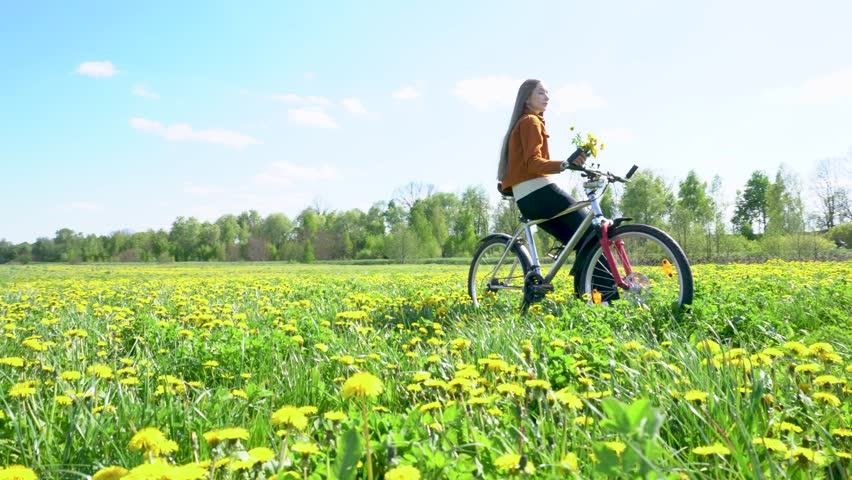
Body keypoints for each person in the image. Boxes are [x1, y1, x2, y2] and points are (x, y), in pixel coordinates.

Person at [496, 79, 590, 250]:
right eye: (540, 92)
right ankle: (595, 277)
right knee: (590, 233)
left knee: (580, 243)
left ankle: (585, 276)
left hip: (527, 201)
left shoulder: (523, 122)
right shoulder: (530, 121)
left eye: (547, 93)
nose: (546, 97)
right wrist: (564, 164)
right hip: (540, 194)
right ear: (526, 98)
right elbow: (533, 163)